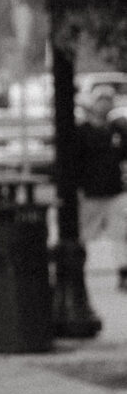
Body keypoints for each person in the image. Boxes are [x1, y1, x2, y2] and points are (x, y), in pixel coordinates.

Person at [73, 87, 127, 291]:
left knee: (121, 233)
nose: (105, 104)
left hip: (115, 192)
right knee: (82, 235)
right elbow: (73, 163)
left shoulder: (117, 130)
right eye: (101, 99)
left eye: (108, 99)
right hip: (91, 194)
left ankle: (123, 273)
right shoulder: (82, 132)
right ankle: (75, 274)